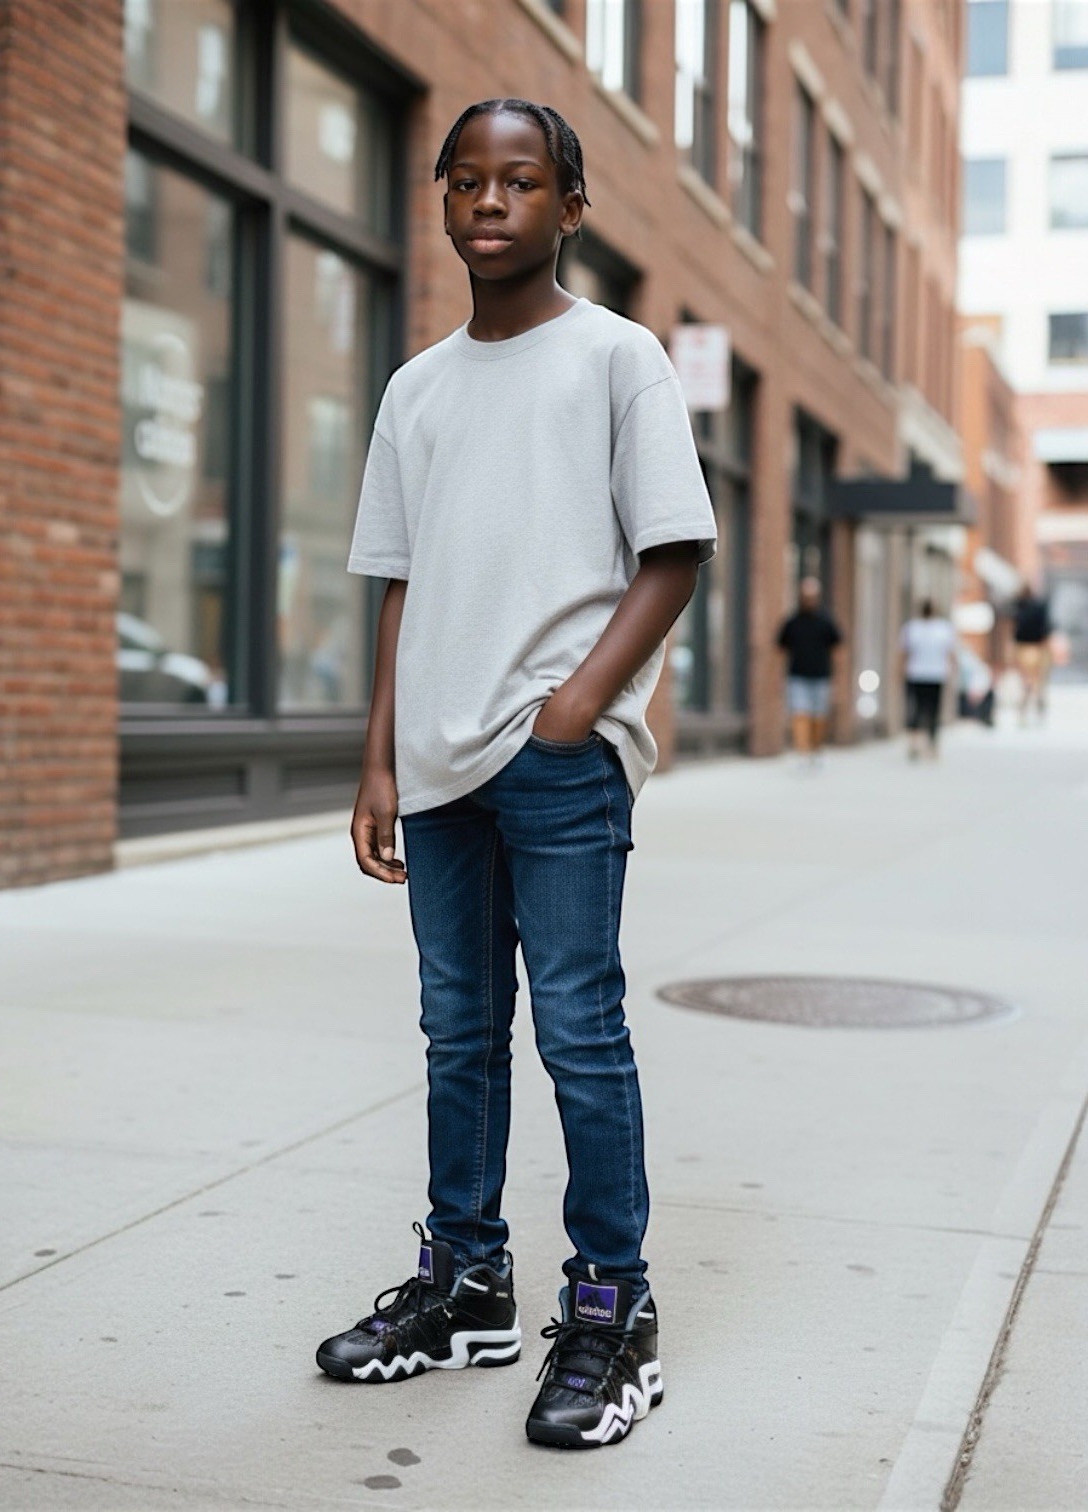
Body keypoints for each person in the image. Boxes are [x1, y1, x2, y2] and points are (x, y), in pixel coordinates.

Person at [319, 98, 717, 1452]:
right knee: (456, 1036)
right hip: (435, 767)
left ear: (570, 206)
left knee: (579, 1033)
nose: (492, 201)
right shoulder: (414, 389)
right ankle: (468, 1284)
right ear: (442, 201)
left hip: (557, 762)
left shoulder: (618, 361)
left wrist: (579, 709)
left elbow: (673, 549)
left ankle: (611, 1313)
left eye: (523, 181)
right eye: (469, 181)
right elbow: (399, 584)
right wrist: (377, 757)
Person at [776, 578, 842, 764]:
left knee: (819, 718)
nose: (809, 600)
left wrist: (838, 679)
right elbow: (781, 650)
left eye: (812, 597)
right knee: (800, 715)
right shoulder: (792, 622)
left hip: (821, 676)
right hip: (797, 676)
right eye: (805, 597)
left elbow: (837, 650)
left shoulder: (825, 622)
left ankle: (816, 749)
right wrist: (778, 678)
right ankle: (803, 754)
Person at [898, 599, 957, 760]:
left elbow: (904, 654)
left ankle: (915, 744)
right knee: (930, 711)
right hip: (932, 675)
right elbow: (950, 654)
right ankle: (928, 745)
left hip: (919, 674)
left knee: (916, 709)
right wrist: (952, 672)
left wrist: (899, 673)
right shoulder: (941, 629)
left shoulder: (912, 628)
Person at [1010, 584, 1053, 724]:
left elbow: (1015, 631)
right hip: (1038, 647)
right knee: (1039, 683)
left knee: (1026, 683)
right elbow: (1046, 628)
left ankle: (1023, 712)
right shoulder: (1039, 607)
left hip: (1023, 648)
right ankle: (1039, 710)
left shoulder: (1018, 608)